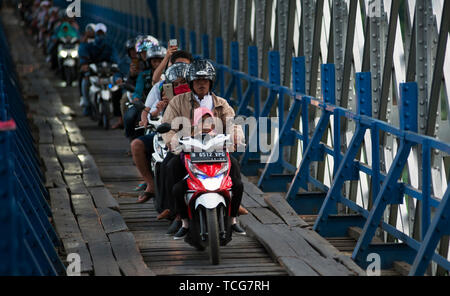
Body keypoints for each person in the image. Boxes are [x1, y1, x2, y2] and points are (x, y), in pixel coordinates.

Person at [160, 58, 247, 239]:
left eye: (205, 81)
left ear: (211, 82)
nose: (201, 84)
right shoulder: (177, 102)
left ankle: (233, 217)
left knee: (236, 172)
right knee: (170, 167)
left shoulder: (221, 103)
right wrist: (174, 141)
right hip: (186, 149)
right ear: (191, 83)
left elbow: (232, 123)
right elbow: (168, 126)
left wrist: (236, 136)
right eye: (198, 81)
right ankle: (177, 214)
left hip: (214, 149)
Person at [131, 61, 191, 206]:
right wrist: (159, 109)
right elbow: (150, 113)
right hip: (169, 136)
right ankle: (154, 188)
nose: (179, 86)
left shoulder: (202, 96)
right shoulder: (161, 90)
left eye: (183, 82)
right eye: (175, 84)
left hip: (195, 138)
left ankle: (231, 199)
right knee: (166, 164)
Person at [123, 42, 165, 142]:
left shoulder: (168, 76)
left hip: (162, 107)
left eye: (160, 61)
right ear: (150, 62)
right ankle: (132, 140)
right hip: (144, 105)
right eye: (154, 61)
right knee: (130, 116)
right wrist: (137, 100)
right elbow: (138, 91)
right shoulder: (143, 75)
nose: (157, 64)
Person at [78, 23, 120, 116]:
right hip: (95, 72)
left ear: (105, 34)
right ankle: (87, 105)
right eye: (98, 33)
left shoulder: (110, 46)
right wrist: (84, 64)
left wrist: (116, 65)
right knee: (85, 81)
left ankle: (117, 110)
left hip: (108, 73)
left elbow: (115, 58)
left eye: (102, 33)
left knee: (117, 86)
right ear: (95, 34)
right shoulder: (89, 46)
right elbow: (83, 54)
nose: (100, 35)